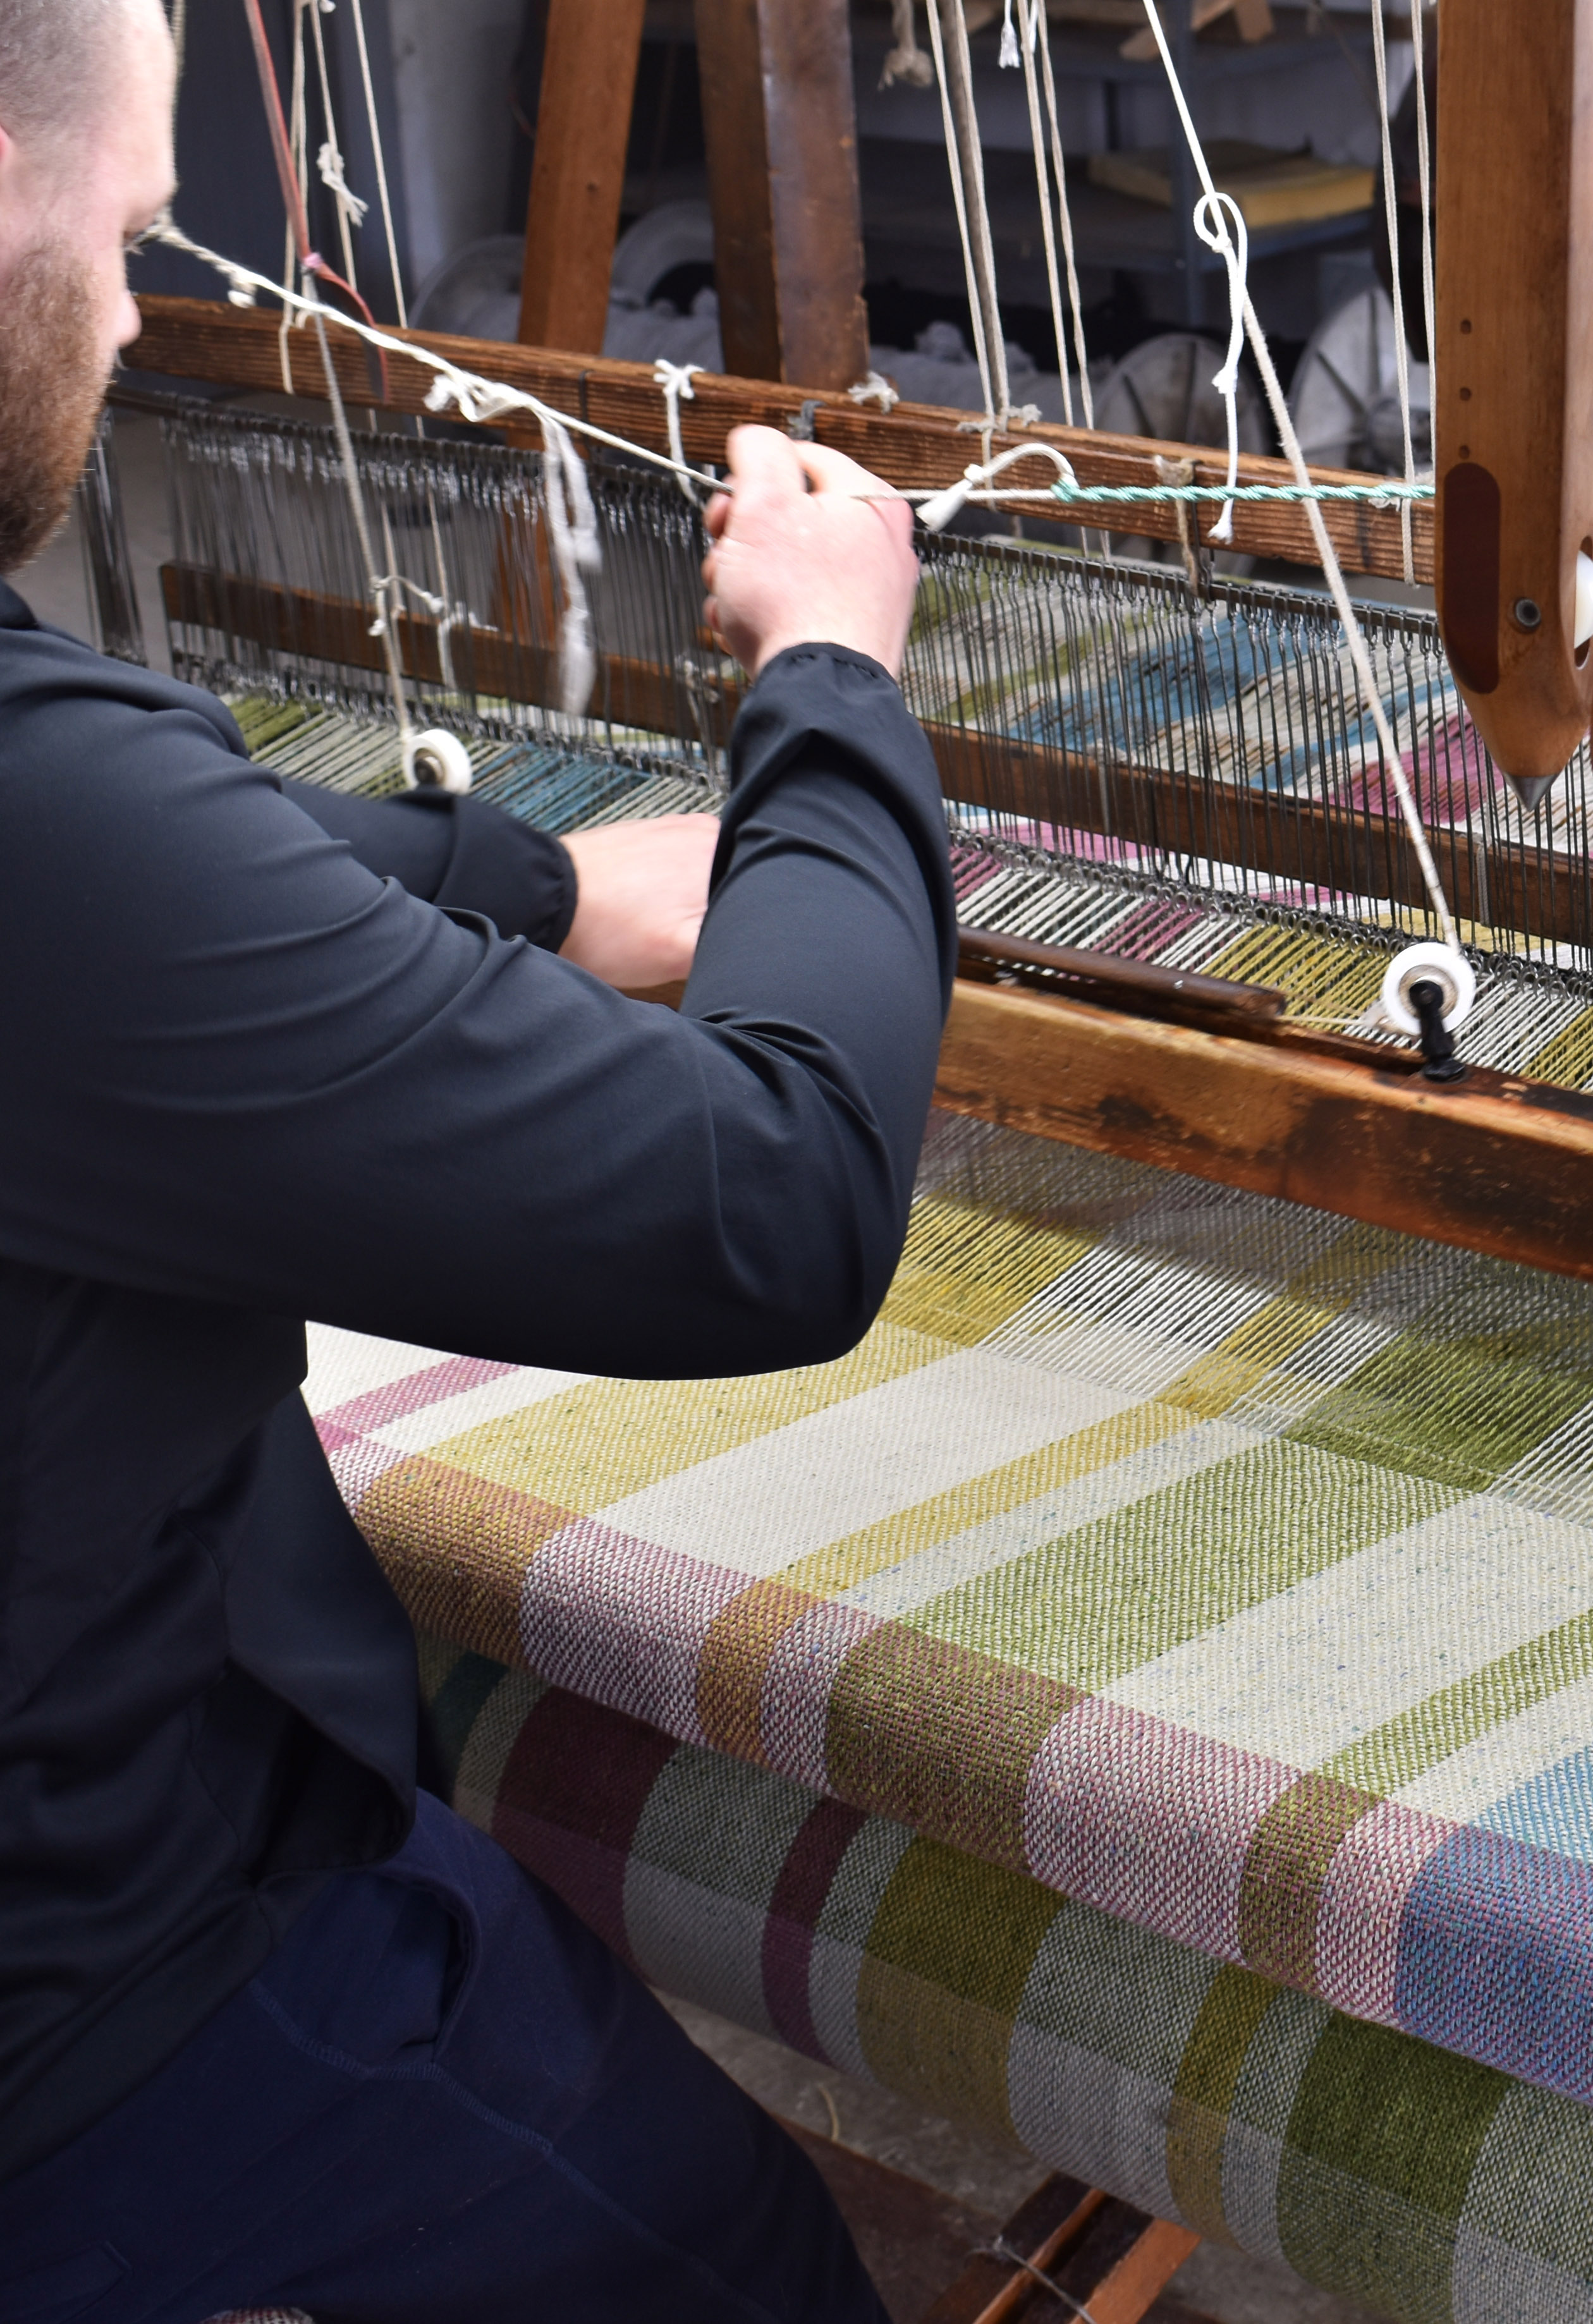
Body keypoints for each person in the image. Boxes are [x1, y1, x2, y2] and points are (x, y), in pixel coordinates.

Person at [0, 4, 950, 2316]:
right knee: (744, 2271)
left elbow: (119, 882)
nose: (137, 317)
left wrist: (520, 889)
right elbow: (780, 1195)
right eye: (125, 234)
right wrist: (834, 684)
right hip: (109, 2011)